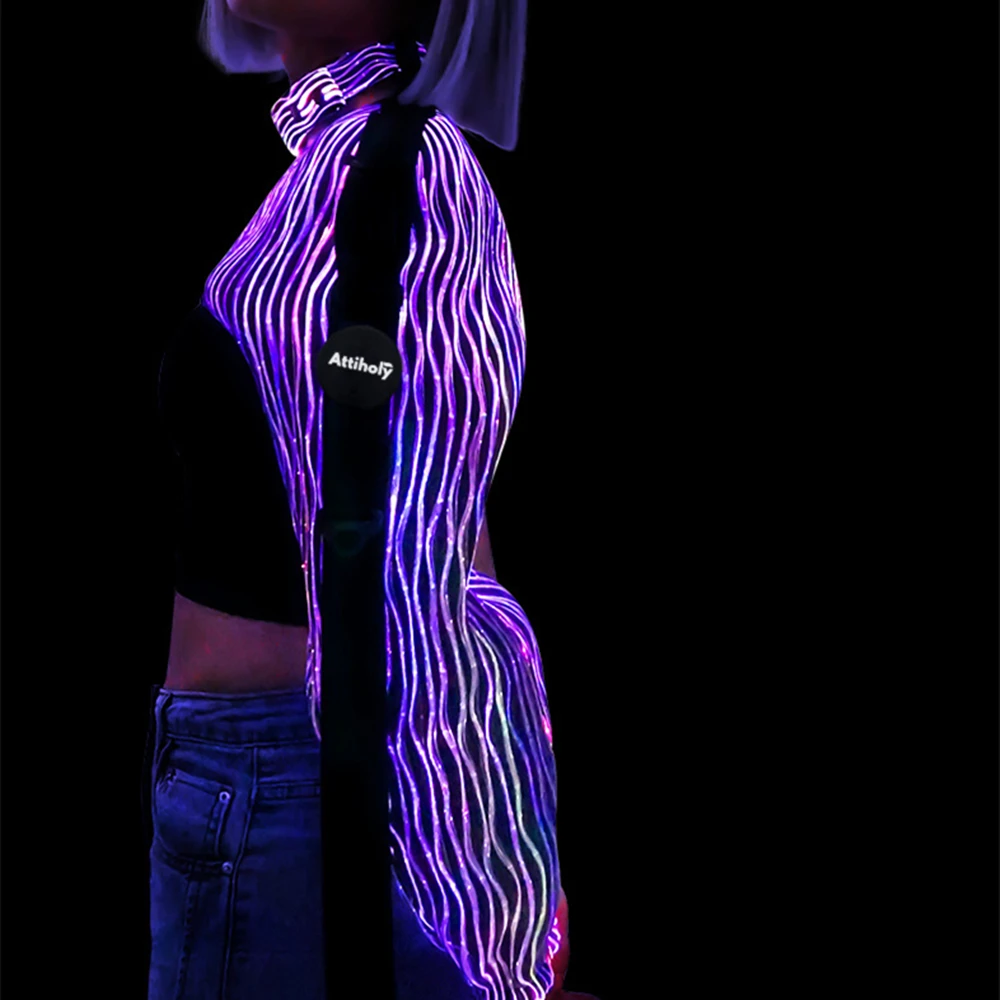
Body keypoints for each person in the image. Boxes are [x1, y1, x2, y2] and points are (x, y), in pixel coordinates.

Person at [144, 1, 598, 997]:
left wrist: (495, 911)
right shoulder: (341, 162)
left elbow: (425, 572)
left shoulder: (405, 170)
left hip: (302, 790)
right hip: (250, 778)